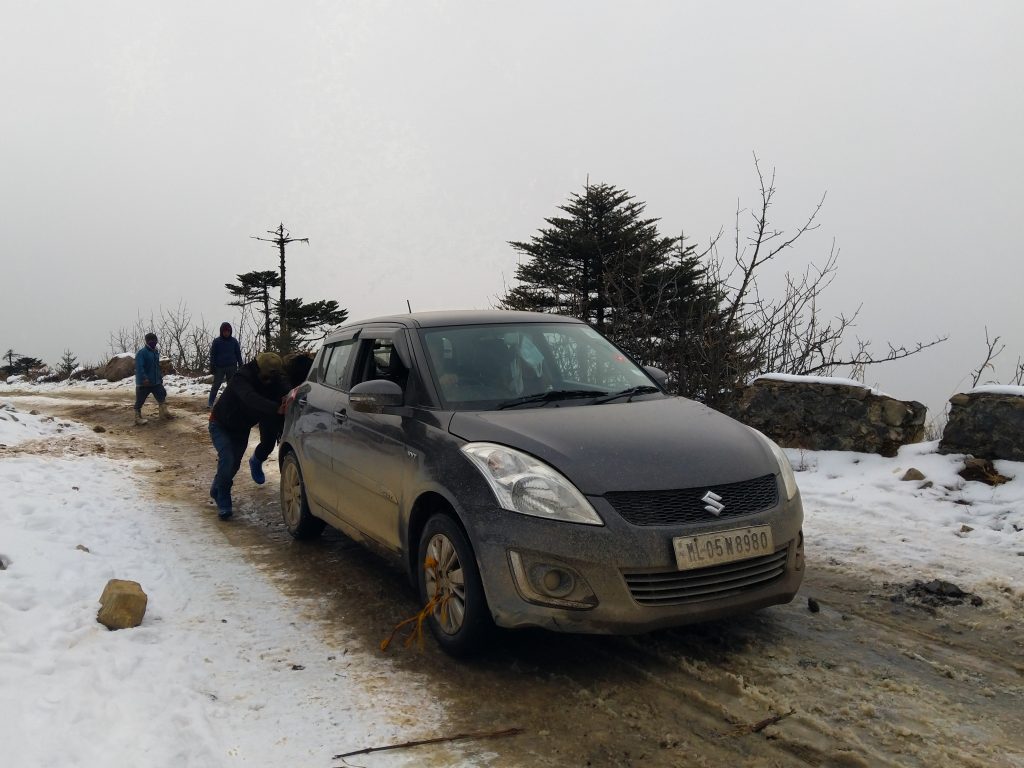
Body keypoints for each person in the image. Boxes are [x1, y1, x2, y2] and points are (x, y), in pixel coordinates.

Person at [208, 352, 288, 520]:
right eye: (269, 375)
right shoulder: (241, 377)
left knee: (233, 465)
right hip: (220, 424)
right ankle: (224, 497)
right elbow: (249, 398)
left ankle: (218, 487)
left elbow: (285, 388)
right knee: (227, 458)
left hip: (241, 429)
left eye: (274, 375)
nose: (271, 379)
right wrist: (276, 408)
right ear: (260, 369)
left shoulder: (273, 379)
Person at [248, 352, 314, 484]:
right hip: (272, 410)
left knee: (293, 443)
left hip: (291, 410)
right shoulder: (280, 376)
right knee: (267, 444)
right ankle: (256, 460)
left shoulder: (310, 370)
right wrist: (288, 395)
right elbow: (285, 387)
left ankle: (293, 476)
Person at [134, 333, 171, 426]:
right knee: (140, 400)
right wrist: (144, 378)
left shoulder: (155, 352)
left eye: (155, 341)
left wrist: (160, 377)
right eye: (151, 341)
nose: (154, 342)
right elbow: (139, 367)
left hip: (155, 382)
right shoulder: (142, 353)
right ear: (147, 341)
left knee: (162, 395)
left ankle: (164, 413)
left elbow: (156, 367)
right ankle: (137, 417)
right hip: (144, 383)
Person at [208, 322, 243, 408]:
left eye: (228, 331)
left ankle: (232, 404)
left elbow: (238, 354)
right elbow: (213, 355)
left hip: (232, 366)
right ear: (221, 332)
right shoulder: (216, 342)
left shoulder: (234, 341)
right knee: (216, 385)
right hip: (219, 367)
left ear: (230, 332)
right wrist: (212, 366)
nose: (226, 333)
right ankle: (210, 403)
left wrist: (241, 365)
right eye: (224, 331)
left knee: (232, 386)